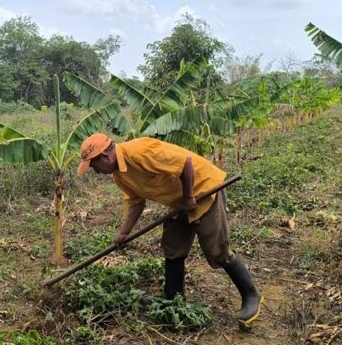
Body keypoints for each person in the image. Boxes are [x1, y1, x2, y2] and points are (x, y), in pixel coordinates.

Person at [77, 133, 263, 325]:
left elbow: (185, 164)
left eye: (94, 166)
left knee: (216, 250)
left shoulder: (140, 152)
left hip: (203, 188)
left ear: (106, 157)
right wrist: (123, 233)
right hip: (179, 199)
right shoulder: (120, 176)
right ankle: (173, 298)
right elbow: (136, 203)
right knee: (173, 246)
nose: (96, 172)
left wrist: (189, 197)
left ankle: (251, 295)